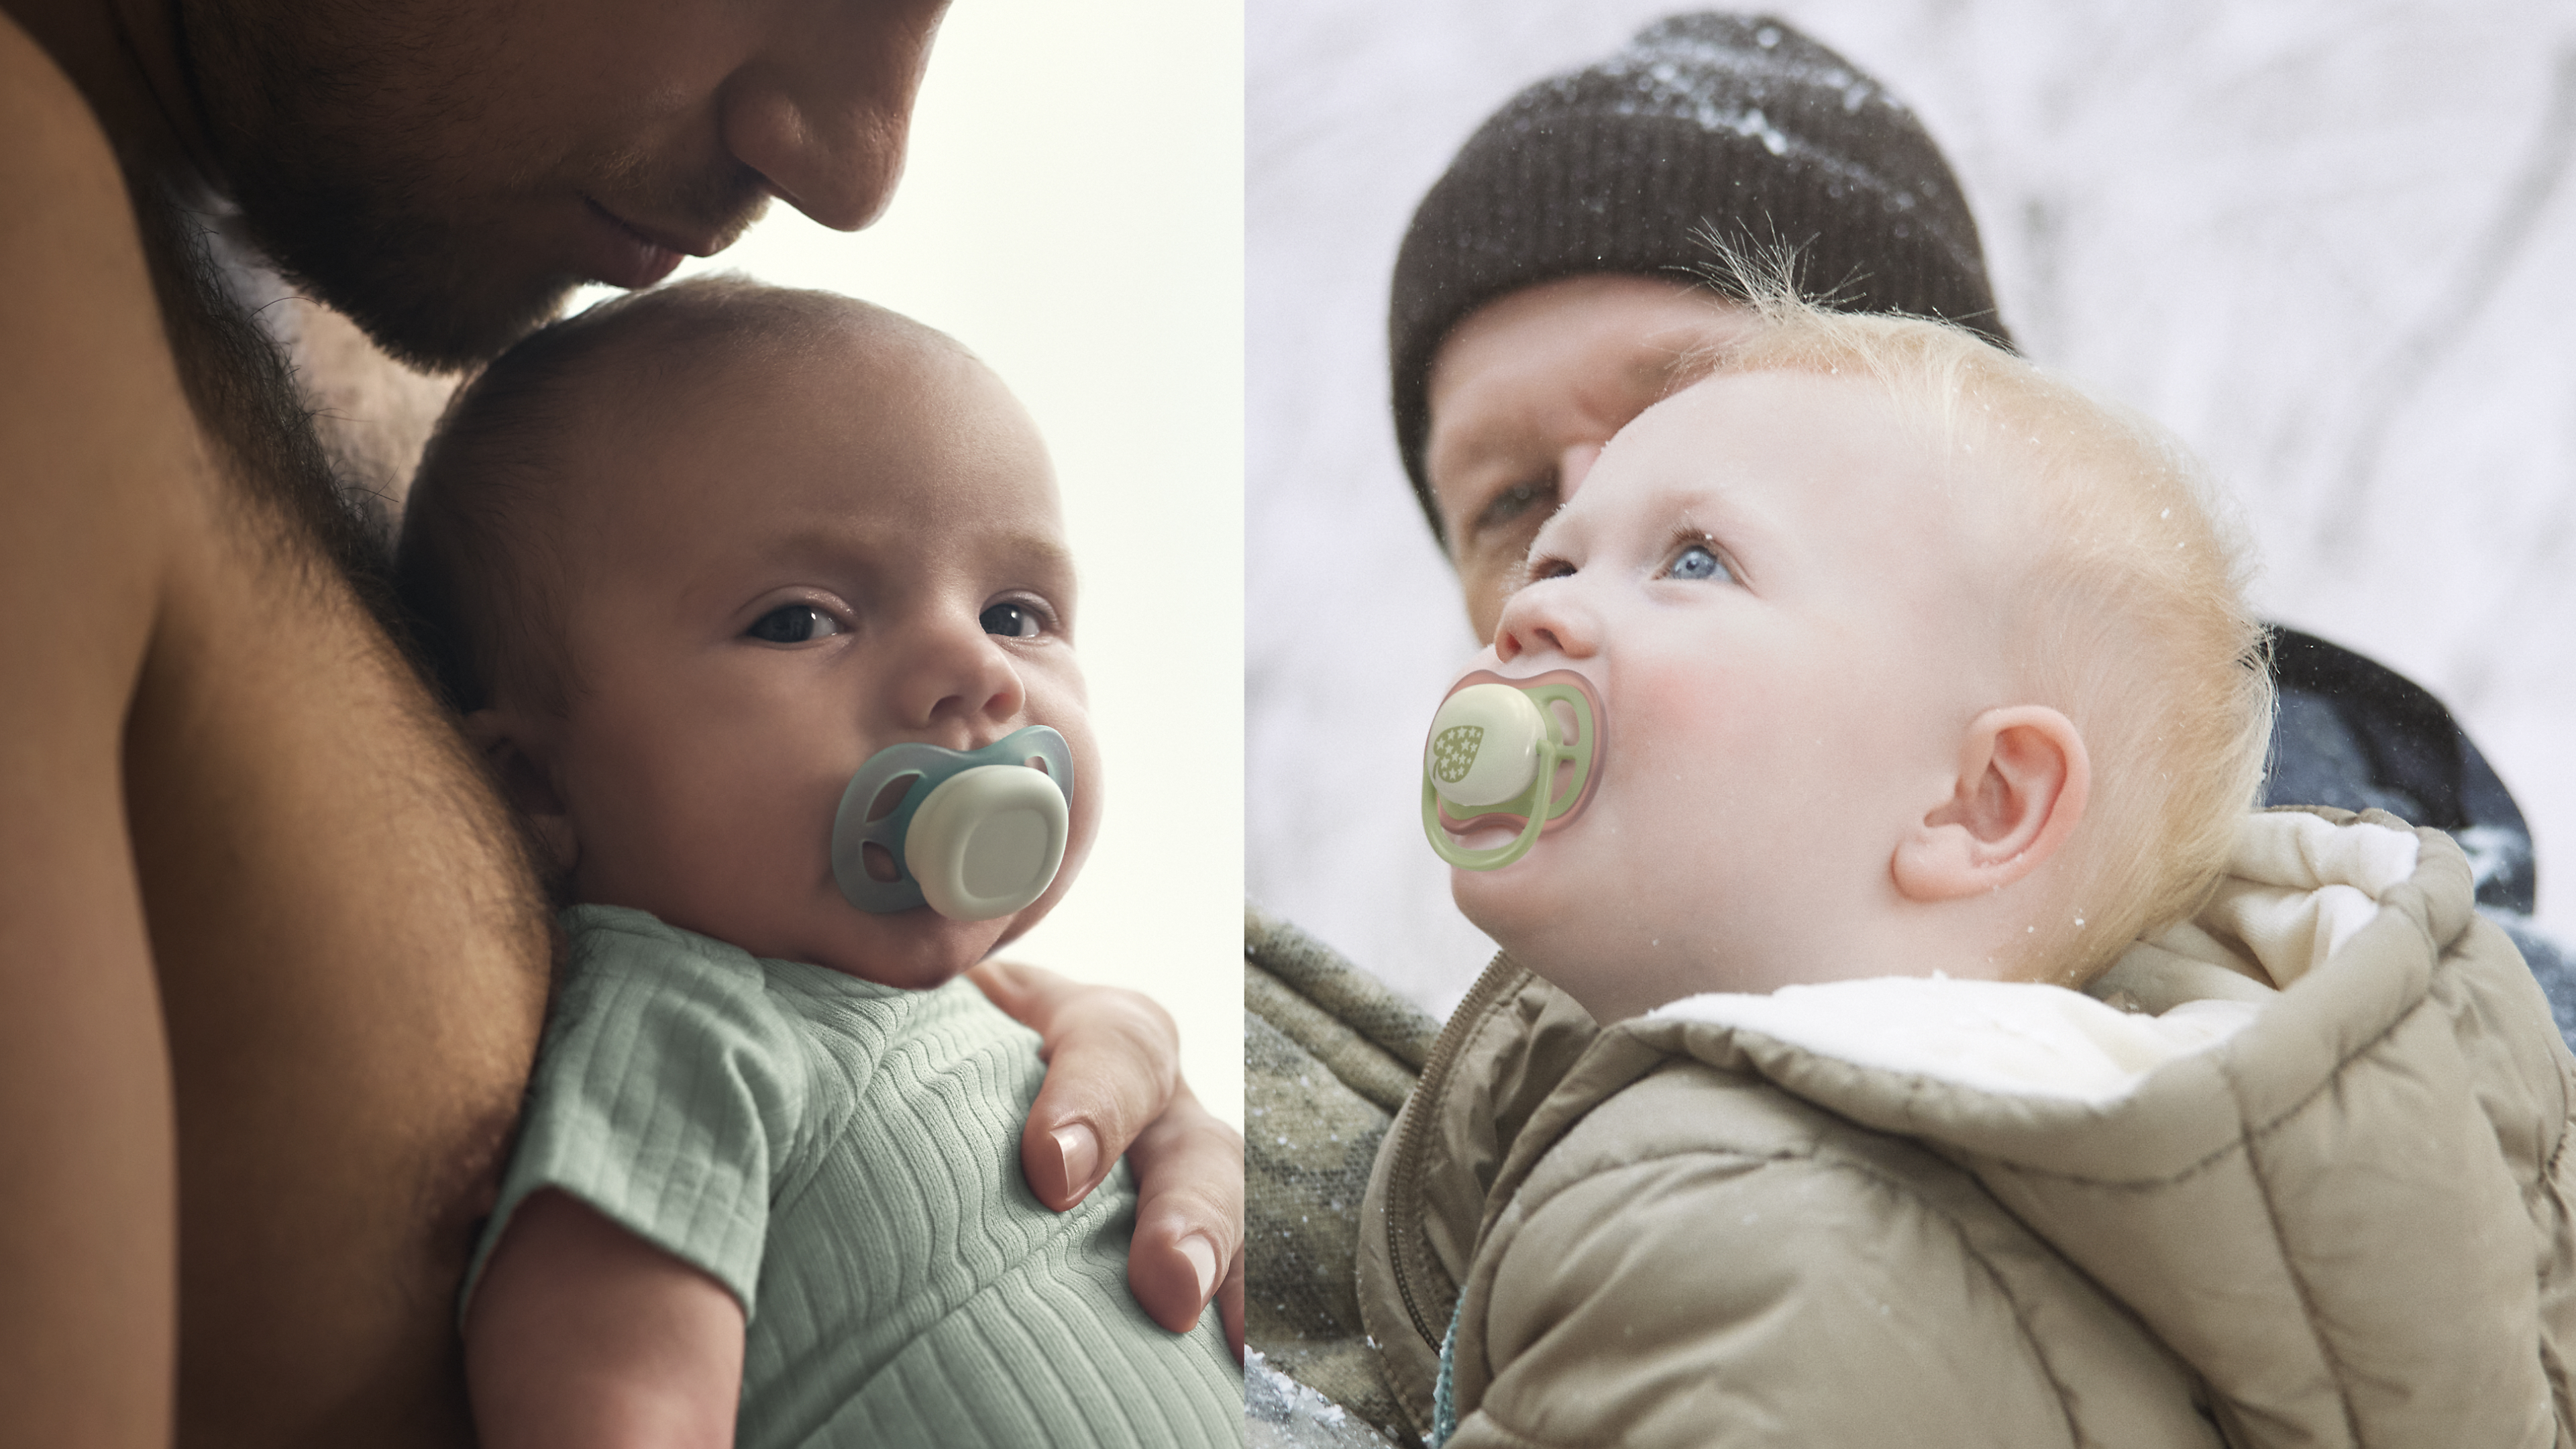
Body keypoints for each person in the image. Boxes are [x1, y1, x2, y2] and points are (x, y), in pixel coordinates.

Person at [1245, 12, 2572, 1442]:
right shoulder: (1591, 1088)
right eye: (1525, 520)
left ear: (1984, 791)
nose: (1552, 597)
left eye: (1692, 541)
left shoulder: (1742, 1220)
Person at [0, 3, 1240, 1444]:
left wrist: (978, 1085)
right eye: (799, 621)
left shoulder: (403, 346)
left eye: (1020, 614)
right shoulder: (34, 256)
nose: (853, 174)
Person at [399, 278, 1240, 1447]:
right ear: (541, 784)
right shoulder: (685, 1036)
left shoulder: (1026, 1033)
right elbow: (625, 1411)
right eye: (800, 620)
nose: (978, 671)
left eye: (1014, 613)